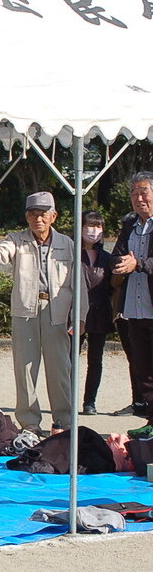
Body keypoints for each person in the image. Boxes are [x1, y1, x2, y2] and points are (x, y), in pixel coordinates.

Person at [0, 192, 86, 436]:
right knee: (25, 368)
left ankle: (64, 420)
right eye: (32, 214)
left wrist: (80, 316)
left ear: (53, 216)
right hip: (25, 310)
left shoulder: (68, 244)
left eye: (43, 214)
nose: (38, 219)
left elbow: (79, 284)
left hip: (57, 311)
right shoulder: (17, 239)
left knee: (60, 368)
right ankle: (29, 421)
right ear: (26, 217)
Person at [111, 171, 153, 433]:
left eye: (144, 192)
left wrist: (139, 264)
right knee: (144, 371)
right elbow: (116, 254)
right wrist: (119, 263)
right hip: (134, 310)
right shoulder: (129, 225)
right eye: (134, 193)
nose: (139, 198)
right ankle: (151, 422)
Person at [80, 211, 113, 415]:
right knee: (69, 360)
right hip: (76, 314)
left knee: (95, 360)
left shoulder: (107, 258)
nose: (94, 231)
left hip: (100, 313)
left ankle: (90, 401)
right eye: (89, 226)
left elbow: (113, 286)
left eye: (98, 226)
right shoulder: (72, 254)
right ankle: (66, 399)